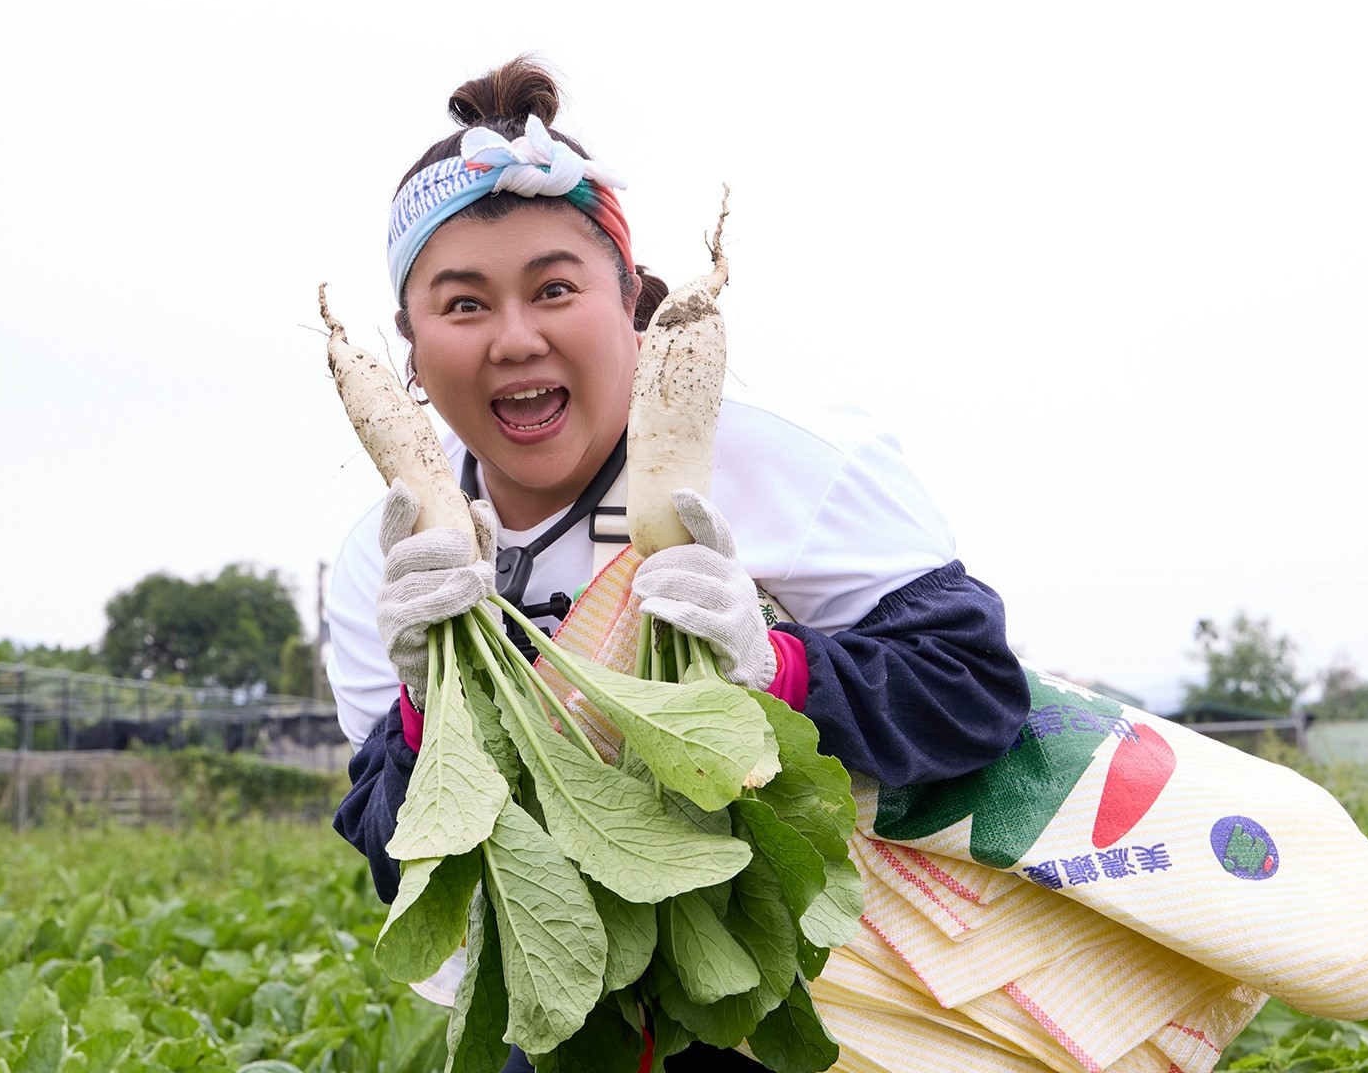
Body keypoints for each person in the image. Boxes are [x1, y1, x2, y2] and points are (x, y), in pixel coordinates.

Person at [327, 56, 1032, 1073]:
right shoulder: (384, 560)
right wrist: (426, 702)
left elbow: (977, 696)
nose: (515, 338)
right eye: (465, 304)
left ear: (630, 298)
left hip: (844, 975)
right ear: (411, 342)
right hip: (592, 1004)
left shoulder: (790, 460)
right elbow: (401, 866)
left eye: (555, 288)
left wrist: (776, 669)